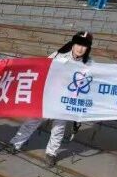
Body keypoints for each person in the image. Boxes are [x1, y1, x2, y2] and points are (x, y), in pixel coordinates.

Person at [5, 31, 93, 167]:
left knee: (59, 127)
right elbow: (42, 68)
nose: (80, 48)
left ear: (88, 48)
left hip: (66, 100)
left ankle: (51, 153)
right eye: (78, 44)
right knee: (32, 120)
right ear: (73, 44)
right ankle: (15, 143)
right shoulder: (59, 54)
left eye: (84, 46)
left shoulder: (90, 64)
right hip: (49, 96)